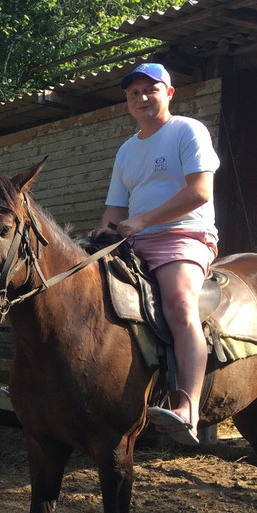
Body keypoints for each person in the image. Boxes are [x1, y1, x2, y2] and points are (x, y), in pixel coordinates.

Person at [92, 63, 220, 446]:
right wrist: (104, 231)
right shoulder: (127, 150)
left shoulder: (187, 131)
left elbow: (200, 192)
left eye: (150, 90)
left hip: (183, 236)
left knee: (179, 304)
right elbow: (115, 208)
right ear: (128, 103)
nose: (142, 98)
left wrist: (142, 220)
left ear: (169, 93)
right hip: (134, 240)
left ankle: (189, 407)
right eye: (134, 93)